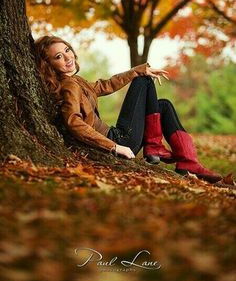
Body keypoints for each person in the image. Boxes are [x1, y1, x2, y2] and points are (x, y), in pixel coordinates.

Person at [34, 35, 222, 184]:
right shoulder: (69, 86)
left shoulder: (77, 81)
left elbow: (103, 86)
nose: (68, 57)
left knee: (163, 104)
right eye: (58, 56)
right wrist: (114, 147)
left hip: (120, 137)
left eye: (67, 50)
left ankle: (187, 163)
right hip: (119, 140)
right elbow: (73, 122)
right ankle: (157, 148)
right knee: (143, 81)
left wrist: (137, 70)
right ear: (49, 65)